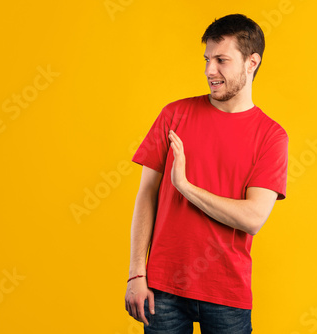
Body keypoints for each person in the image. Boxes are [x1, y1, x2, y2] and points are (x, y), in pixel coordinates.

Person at [124, 13, 288, 334]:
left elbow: (253, 217)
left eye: (221, 60)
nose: (209, 70)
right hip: (162, 290)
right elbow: (146, 196)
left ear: (251, 62)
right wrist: (136, 274)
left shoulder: (271, 136)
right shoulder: (174, 114)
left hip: (227, 293)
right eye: (207, 59)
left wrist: (184, 186)